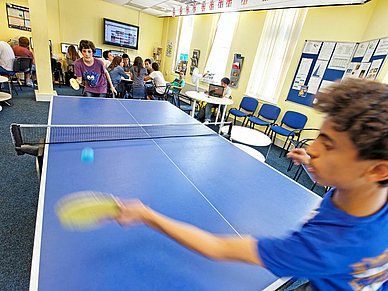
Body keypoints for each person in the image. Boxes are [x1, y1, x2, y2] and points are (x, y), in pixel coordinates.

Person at [115, 78, 388, 291]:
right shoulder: (370, 188)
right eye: (319, 136)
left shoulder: (323, 247)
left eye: (328, 146)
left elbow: (216, 247)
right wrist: (311, 164)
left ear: (377, 169)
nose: (312, 148)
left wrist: (146, 214)